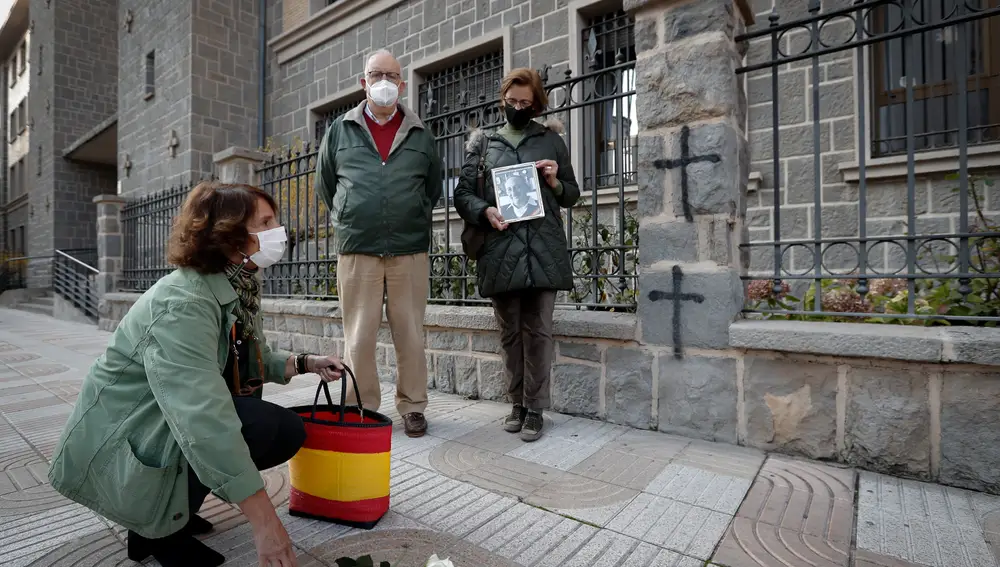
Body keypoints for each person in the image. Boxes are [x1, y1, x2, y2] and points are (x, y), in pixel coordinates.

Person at [48, 182, 345, 567]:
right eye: (266, 222)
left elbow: (248, 356)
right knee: (254, 424)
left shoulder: (235, 283)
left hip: (165, 418)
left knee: (279, 427)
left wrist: (307, 363)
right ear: (230, 235)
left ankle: (166, 516)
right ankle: (159, 528)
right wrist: (265, 523)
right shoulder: (184, 303)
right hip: (129, 432)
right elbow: (201, 415)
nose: (279, 232)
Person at [315, 49, 442, 438]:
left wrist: (410, 214)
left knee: (410, 332)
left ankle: (414, 407)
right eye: (376, 74)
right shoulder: (340, 129)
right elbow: (326, 185)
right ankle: (360, 406)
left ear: (402, 84)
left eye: (391, 75)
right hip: (357, 249)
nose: (383, 81)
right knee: (359, 334)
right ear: (363, 81)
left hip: (409, 250)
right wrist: (351, 215)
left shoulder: (420, 132)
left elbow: (432, 187)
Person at [453, 68, 581, 442]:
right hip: (501, 246)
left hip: (543, 247)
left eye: (526, 103)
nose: (518, 108)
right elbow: (462, 194)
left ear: (536, 103)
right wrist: (485, 211)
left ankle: (536, 408)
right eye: (512, 102)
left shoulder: (550, 140)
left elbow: (572, 194)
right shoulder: (484, 144)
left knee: (538, 330)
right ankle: (516, 404)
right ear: (503, 100)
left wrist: (556, 181)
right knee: (510, 332)